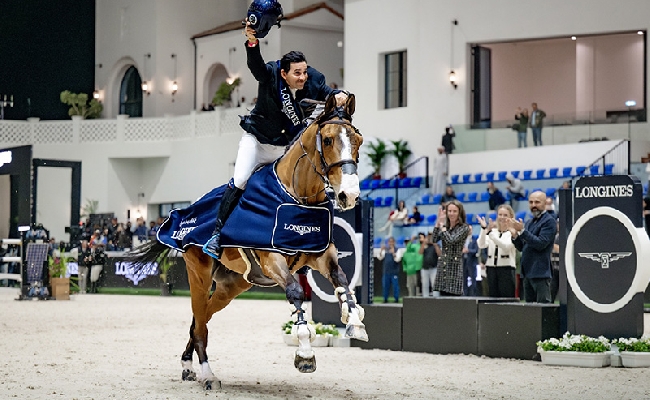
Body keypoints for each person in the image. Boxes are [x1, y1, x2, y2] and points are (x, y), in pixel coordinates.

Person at [203, 16, 346, 259]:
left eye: (304, 72)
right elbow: (255, 64)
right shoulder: (270, 75)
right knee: (239, 180)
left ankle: (309, 239)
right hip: (257, 142)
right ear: (284, 72)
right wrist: (251, 41)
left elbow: (327, 92)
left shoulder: (314, 79)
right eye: (297, 73)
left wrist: (340, 94)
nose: (302, 78)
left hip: (283, 149)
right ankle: (217, 235)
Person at [506, 191, 556, 303]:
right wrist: (515, 235)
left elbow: (540, 244)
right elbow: (523, 247)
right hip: (528, 273)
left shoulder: (549, 221)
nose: (533, 205)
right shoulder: (529, 222)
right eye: (531, 202)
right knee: (530, 311)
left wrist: (522, 231)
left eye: (537, 202)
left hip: (541, 273)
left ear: (544, 203)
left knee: (543, 309)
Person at [431, 200, 471, 296]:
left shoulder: (464, 228)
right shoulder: (447, 227)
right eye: (449, 211)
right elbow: (434, 239)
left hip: (454, 266)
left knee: (453, 298)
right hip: (443, 265)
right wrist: (438, 223)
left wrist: (443, 228)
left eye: (454, 211)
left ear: (459, 213)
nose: (451, 214)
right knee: (442, 298)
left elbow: (451, 240)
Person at [477, 204, 517, 298]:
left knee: (506, 298)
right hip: (491, 268)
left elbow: (506, 246)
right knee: (492, 297)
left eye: (505, 215)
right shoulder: (493, 232)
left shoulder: (513, 232)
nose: (502, 217)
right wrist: (483, 229)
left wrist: (491, 235)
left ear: (511, 217)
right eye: (500, 214)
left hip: (506, 268)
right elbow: (481, 244)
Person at [377, 237, 404, 303]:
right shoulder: (385, 250)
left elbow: (397, 260)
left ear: (394, 242)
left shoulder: (397, 250)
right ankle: (385, 299)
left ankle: (396, 299)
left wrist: (393, 253)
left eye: (392, 242)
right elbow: (379, 258)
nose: (391, 243)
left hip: (394, 272)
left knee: (395, 287)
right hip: (386, 272)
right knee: (385, 286)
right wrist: (381, 250)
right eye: (390, 242)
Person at [421, 232, 439, 297]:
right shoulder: (425, 246)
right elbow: (420, 252)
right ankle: (425, 298)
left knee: (434, 284)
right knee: (425, 284)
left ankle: (436, 298)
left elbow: (439, 254)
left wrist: (435, 244)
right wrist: (424, 243)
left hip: (433, 268)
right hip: (425, 268)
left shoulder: (436, 246)